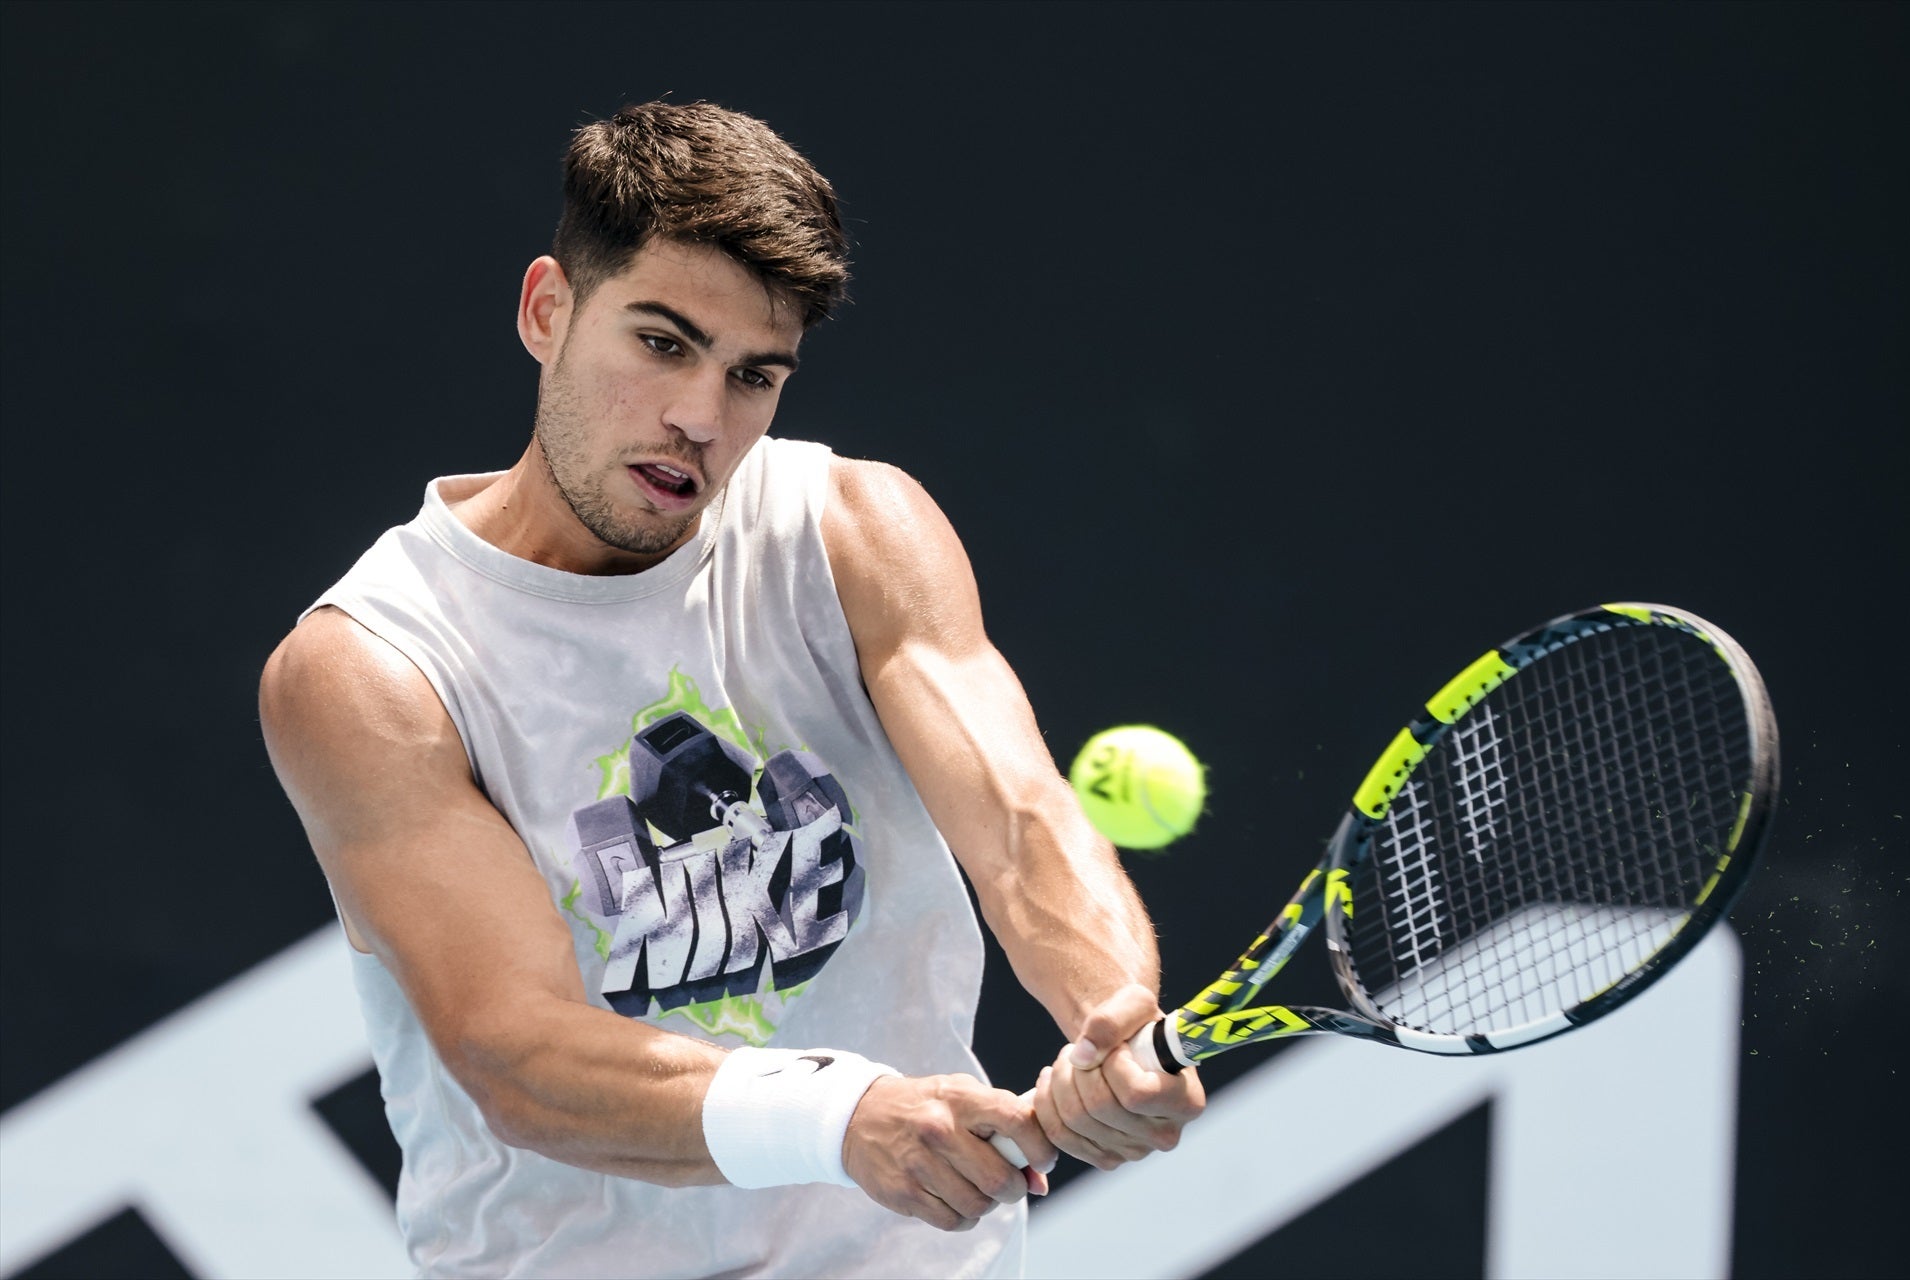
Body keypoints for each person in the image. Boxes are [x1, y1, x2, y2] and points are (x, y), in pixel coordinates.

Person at [258, 100, 1204, 1278]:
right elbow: (518, 1052)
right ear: (547, 309)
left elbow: (1018, 823)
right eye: (661, 342)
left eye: (753, 374)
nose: (701, 419)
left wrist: (1111, 1008)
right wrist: (834, 1114)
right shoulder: (373, 668)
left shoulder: (855, 533)